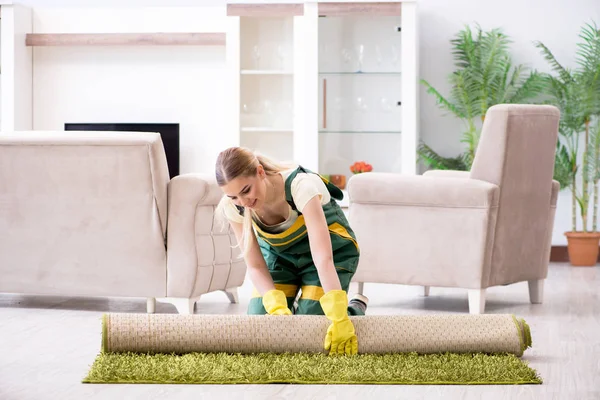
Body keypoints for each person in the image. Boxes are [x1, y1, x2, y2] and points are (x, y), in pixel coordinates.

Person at [215, 147, 368, 355]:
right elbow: (256, 265)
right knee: (261, 327)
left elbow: (323, 258)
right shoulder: (233, 207)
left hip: (330, 252)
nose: (243, 202)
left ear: (260, 172)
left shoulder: (301, 186)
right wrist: (274, 304)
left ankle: (355, 307)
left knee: (314, 329)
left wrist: (339, 316)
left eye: (246, 191)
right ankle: (292, 304)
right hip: (281, 257)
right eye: (233, 197)